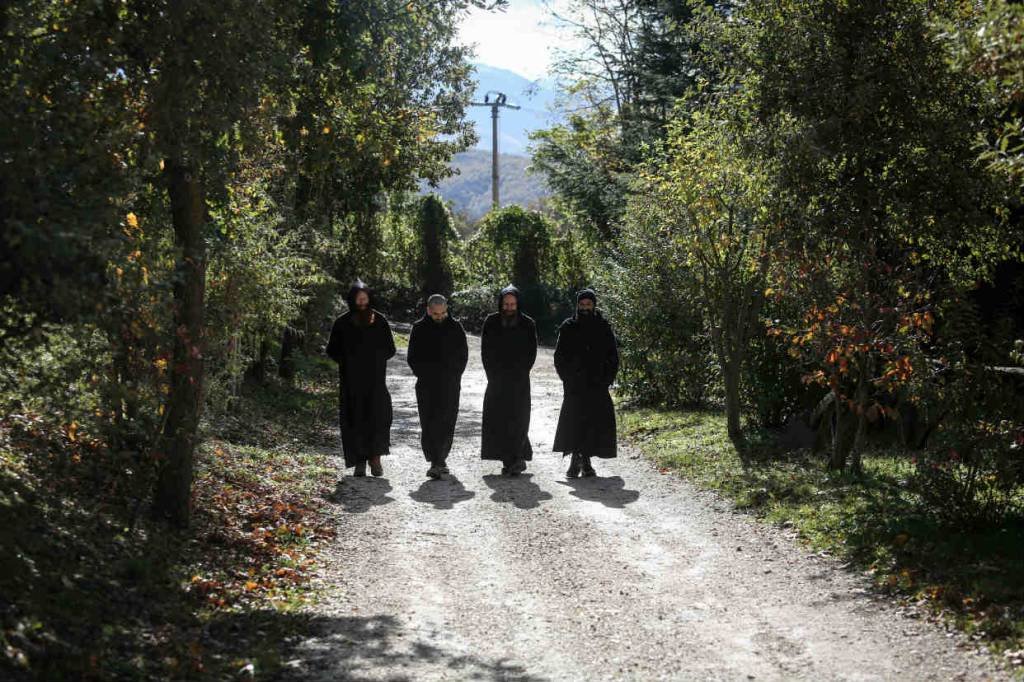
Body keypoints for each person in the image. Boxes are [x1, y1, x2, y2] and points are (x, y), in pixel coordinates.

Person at [326, 281, 396, 477]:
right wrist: (348, 361)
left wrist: (375, 359)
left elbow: (390, 349)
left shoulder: (380, 321)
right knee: (354, 419)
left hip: (375, 381)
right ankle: (359, 462)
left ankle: (376, 459)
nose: (362, 300)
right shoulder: (342, 322)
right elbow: (332, 350)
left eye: (365, 296)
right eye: (358, 297)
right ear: (353, 299)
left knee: (378, 418)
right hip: (351, 382)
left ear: (370, 297)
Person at [553, 289, 619, 478]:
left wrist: (606, 379)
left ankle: (587, 461)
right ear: (577, 306)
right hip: (574, 385)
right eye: (581, 305)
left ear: (594, 305)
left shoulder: (603, 327)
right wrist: (566, 377)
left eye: (588, 305)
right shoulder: (568, 327)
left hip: (597, 384)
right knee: (574, 422)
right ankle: (575, 461)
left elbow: (613, 356)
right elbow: (559, 356)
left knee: (593, 423)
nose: (585, 308)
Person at [407, 294, 468, 479]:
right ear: (428, 310)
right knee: (429, 422)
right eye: (435, 314)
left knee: (448, 421)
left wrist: (455, 374)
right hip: (427, 384)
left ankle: (440, 460)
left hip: (450, 384)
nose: (439, 317)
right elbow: (412, 357)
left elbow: (463, 355)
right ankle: (435, 460)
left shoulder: (456, 327)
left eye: (442, 313)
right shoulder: (419, 328)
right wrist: (424, 374)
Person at [481, 285, 538, 475]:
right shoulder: (491, 322)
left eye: (513, 304)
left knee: (520, 419)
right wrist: (493, 375)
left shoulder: (528, 323)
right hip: (497, 380)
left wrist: (521, 372)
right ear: (501, 304)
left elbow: (532, 352)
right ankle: (508, 460)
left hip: (520, 380)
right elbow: (485, 351)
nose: (509, 308)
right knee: (498, 419)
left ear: (518, 304)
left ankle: (517, 457)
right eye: (506, 304)